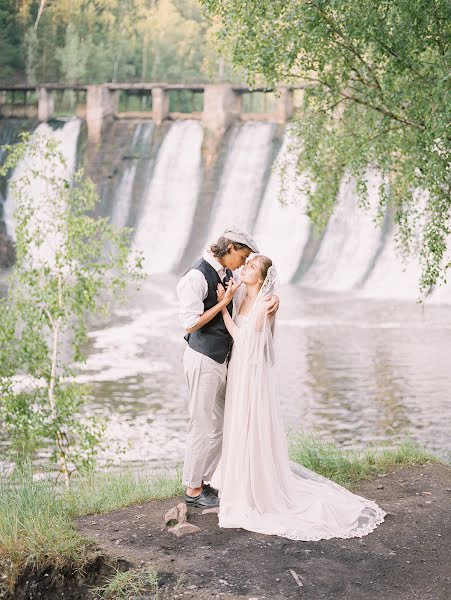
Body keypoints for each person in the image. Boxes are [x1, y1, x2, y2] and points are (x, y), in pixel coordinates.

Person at [214, 254, 386, 540]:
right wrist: (230, 295)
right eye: (248, 265)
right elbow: (240, 268)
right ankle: (237, 477)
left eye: (252, 268)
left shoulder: (265, 303)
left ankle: (253, 484)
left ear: (262, 277)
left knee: (250, 421)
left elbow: (244, 339)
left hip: (250, 372)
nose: (246, 269)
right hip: (240, 368)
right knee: (237, 421)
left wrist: (222, 311)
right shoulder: (242, 292)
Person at [176, 228, 279, 508]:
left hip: (224, 359)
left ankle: (205, 480)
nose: (243, 263)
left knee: (222, 424)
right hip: (202, 357)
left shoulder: (227, 271)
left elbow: (256, 291)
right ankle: (193, 489)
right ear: (231, 248)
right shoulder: (196, 276)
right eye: (243, 256)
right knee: (201, 423)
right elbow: (189, 323)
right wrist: (222, 303)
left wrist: (274, 300)